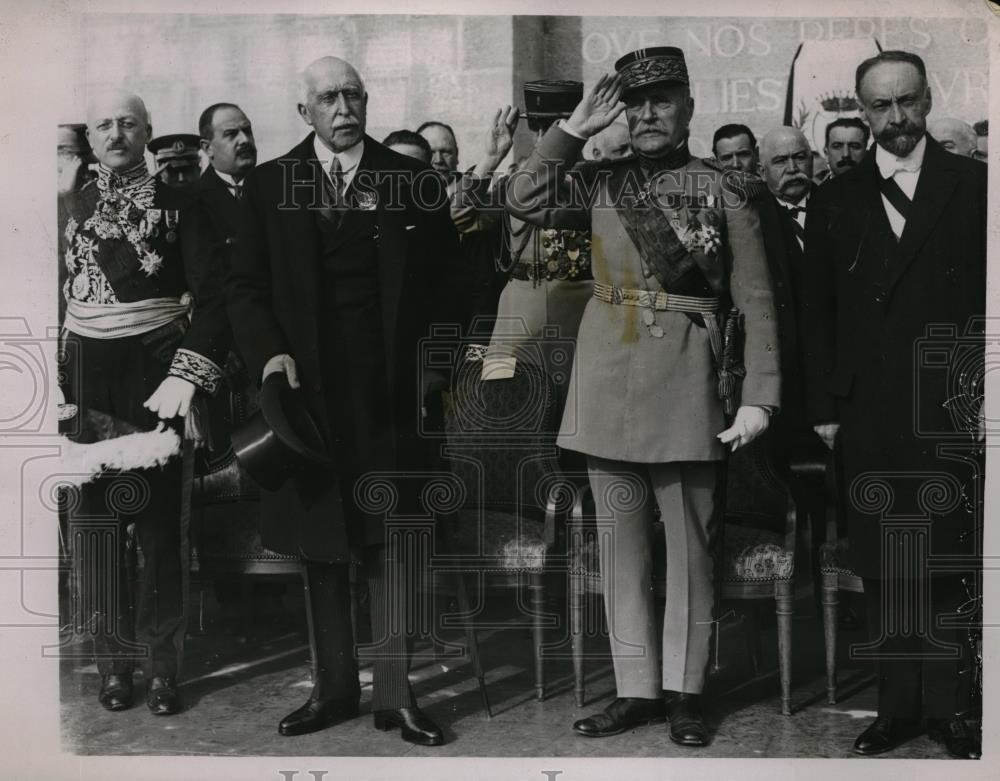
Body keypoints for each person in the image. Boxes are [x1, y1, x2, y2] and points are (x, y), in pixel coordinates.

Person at [507, 48, 780, 747]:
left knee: (690, 546)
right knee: (618, 544)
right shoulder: (599, 182)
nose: (650, 114)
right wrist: (571, 129)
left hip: (689, 374)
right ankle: (636, 689)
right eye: (637, 103)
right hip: (606, 379)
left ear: (688, 105)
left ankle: (688, 691)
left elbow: (755, 296)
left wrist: (759, 397)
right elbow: (522, 198)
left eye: (663, 100)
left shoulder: (728, 188)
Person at [226, 55, 465, 746]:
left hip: (389, 394)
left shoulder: (410, 179)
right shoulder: (270, 184)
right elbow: (243, 286)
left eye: (353, 95)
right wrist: (269, 352)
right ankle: (332, 688)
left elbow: (454, 283)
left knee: (392, 541)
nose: (343, 108)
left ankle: (395, 694)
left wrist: (434, 368)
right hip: (307, 398)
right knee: (321, 544)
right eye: (329, 97)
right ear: (305, 111)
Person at [803, 50, 985, 760]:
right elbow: (816, 314)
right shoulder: (834, 197)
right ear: (861, 110)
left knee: (947, 559)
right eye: (880, 106)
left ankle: (952, 709)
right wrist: (825, 407)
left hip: (951, 403)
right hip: (869, 410)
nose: (897, 118)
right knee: (884, 564)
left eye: (908, 101)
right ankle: (897, 707)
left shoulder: (975, 186)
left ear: (929, 98)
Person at [59, 90, 229, 716]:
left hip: (157, 370)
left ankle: (162, 669)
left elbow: (216, 297)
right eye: (103, 124)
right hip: (84, 377)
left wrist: (188, 374)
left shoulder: (186, 203)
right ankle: (113, 666)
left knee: (159, 532)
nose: (115, 133)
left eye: (127, 123)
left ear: (148, 131)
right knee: (97, 528)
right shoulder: (65, 204)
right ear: (91, 135)